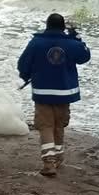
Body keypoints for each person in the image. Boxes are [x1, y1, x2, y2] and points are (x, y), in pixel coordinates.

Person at [17, 13, 91, 176]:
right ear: (63, 27)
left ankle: (49, 164)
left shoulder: (36, 43)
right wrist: (76, 37)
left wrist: (25, 75)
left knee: (46, 126)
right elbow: (85, 56)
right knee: (59, 126)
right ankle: (58, 158)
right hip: (65, 94)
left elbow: (23, 64)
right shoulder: (71, 44)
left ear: (47, 25)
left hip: (42, 93)